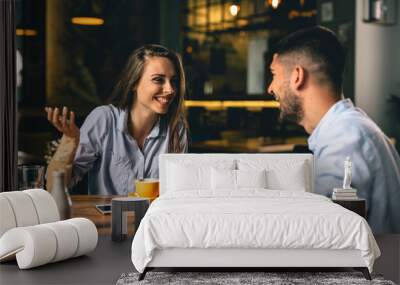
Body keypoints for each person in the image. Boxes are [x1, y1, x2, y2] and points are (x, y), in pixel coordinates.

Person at [267, 26, 400, 233]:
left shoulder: (346, 137)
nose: (271, 88)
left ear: (297, 76)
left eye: (274, 74)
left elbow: (325, 230)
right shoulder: (347, 129)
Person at [45, 44, 188, 195]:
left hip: (154, 219)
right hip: (107, 219)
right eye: (158, 80)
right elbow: (54, 188)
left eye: (173, 81)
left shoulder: (176, 130)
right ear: (134, 82)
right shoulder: (103, 119)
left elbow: (176, 194)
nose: (170, 89)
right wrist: (69, 141)